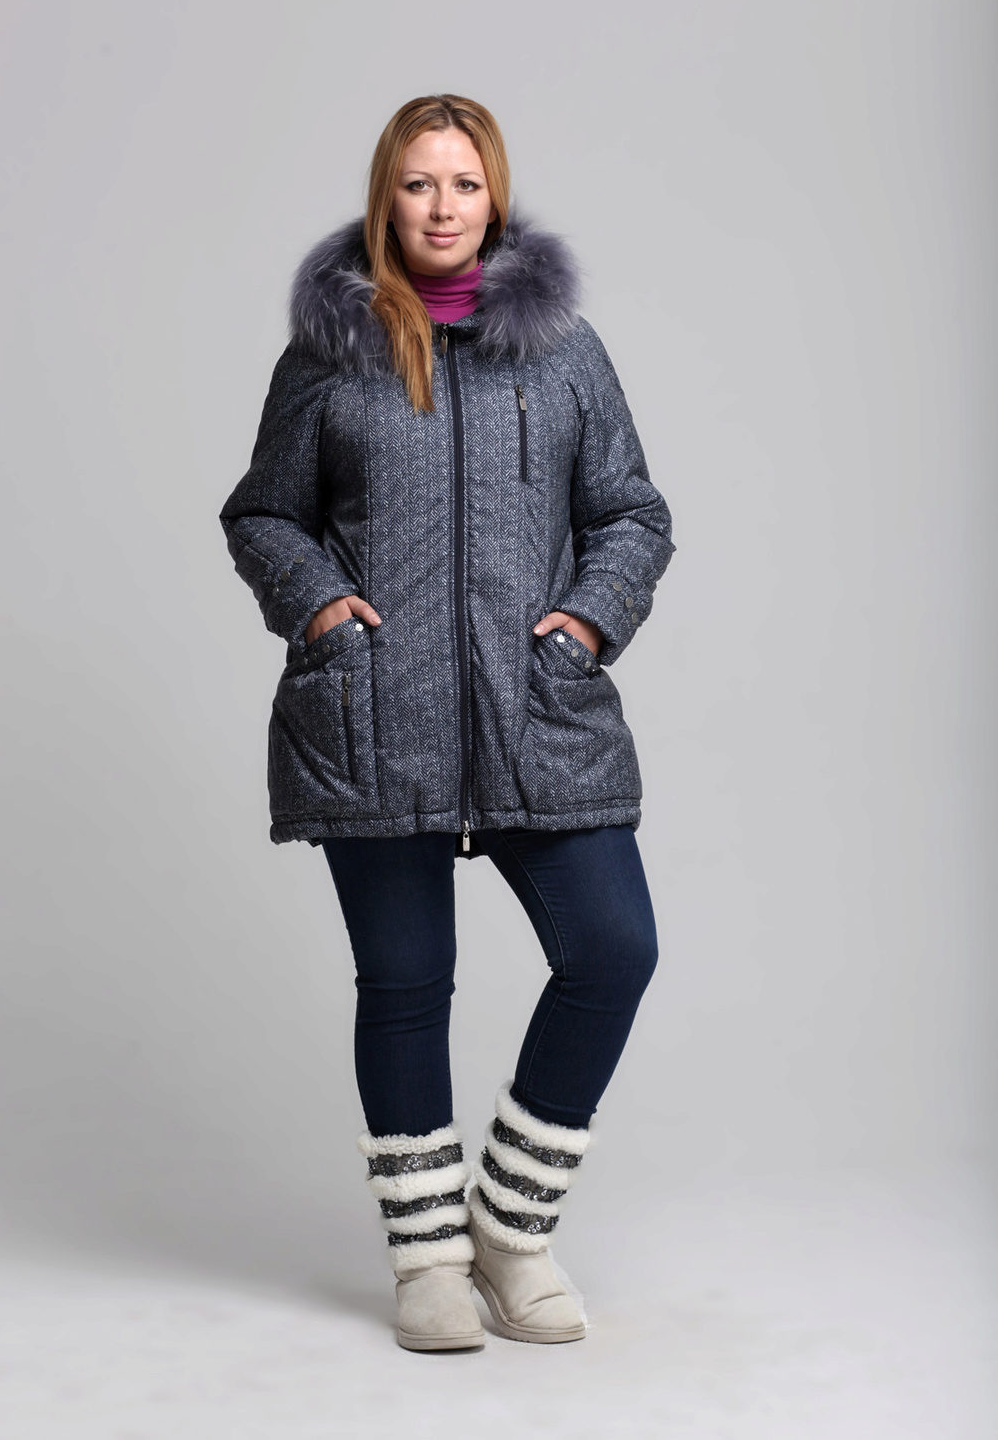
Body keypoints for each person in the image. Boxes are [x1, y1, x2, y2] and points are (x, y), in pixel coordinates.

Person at [218, 93, 677, 1352]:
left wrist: (587, 621)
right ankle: (426, 1259)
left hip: (537, 712)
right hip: (378, 718)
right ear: (388, 197)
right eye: (418, 184)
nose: (441, 207)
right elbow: (263, 514)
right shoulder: (331, 355)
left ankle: (511, 1230)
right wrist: (322, 611)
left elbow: (632, 514)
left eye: (463, 184)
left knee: (612, 951)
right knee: (408, 986)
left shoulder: (563, 352)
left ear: (494, 197)